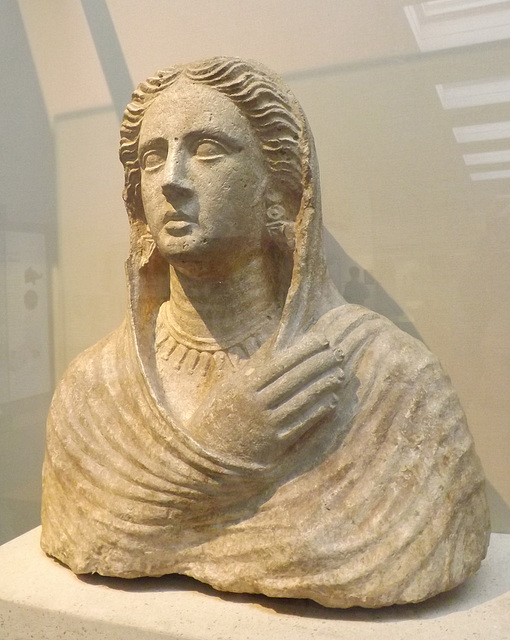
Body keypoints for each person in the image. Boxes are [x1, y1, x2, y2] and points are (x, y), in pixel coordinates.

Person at [41, 58, 489, 608]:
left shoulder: (389, 380)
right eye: (152, 157)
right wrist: (221, 448)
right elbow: (89, 529)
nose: (172, 180)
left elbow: (415, 542)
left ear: (277, 186)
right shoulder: (92, 390)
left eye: (206, 150)